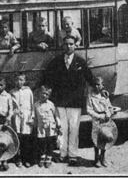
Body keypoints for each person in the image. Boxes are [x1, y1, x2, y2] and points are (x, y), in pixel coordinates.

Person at [45, 35, 94, 166]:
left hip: (75, 101)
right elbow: (47, 78)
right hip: (60, 101)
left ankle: (72, 155)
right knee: (62, 129)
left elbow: (90, 78)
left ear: (75, 45)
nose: (69, 46)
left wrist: (100, 89)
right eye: (66, 44)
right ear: (63, 45)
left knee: (74, 128)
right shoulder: (56, 61)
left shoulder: (80, 62)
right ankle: (62, 154)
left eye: (71, 44)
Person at [86, 76, 114, 168]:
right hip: (97, 120)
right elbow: (89, 110)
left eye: (99, 85)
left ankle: (103, 158)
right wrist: (98, 116)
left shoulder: (104, 95)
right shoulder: (91, 96)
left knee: (105, 138)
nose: (97, 87)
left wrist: (109, 113)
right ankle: (96, 159)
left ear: (103, 85)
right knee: (97, 139)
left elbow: (109, 106)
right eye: (96, 85)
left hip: (106, 119)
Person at [10, 72, 34, 168]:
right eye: (17, 80)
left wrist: (32, 117)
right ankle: (18, 158)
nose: (19, 82)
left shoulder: (28, 91)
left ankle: (26, 158)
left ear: (24, 81)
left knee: (26, 138)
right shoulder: (12, 92)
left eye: (21, 80)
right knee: (17, 137)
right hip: (16, 117)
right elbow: (11, 106)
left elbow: (32, 105)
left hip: (26, 116)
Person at [34, 85, 61, 168]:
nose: (44, 95)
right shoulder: (36, 105)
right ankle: (43, 156)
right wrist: (34, 125)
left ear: (49, 96)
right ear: (39, 93)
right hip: (41, 127)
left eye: (46, 94)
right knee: (42, 142)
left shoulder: (51, 104)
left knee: (50, 142)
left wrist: (58, 124)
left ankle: (49, 157)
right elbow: (34, 116)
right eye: (42, 93)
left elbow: (56, 115)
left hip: (50, 126)